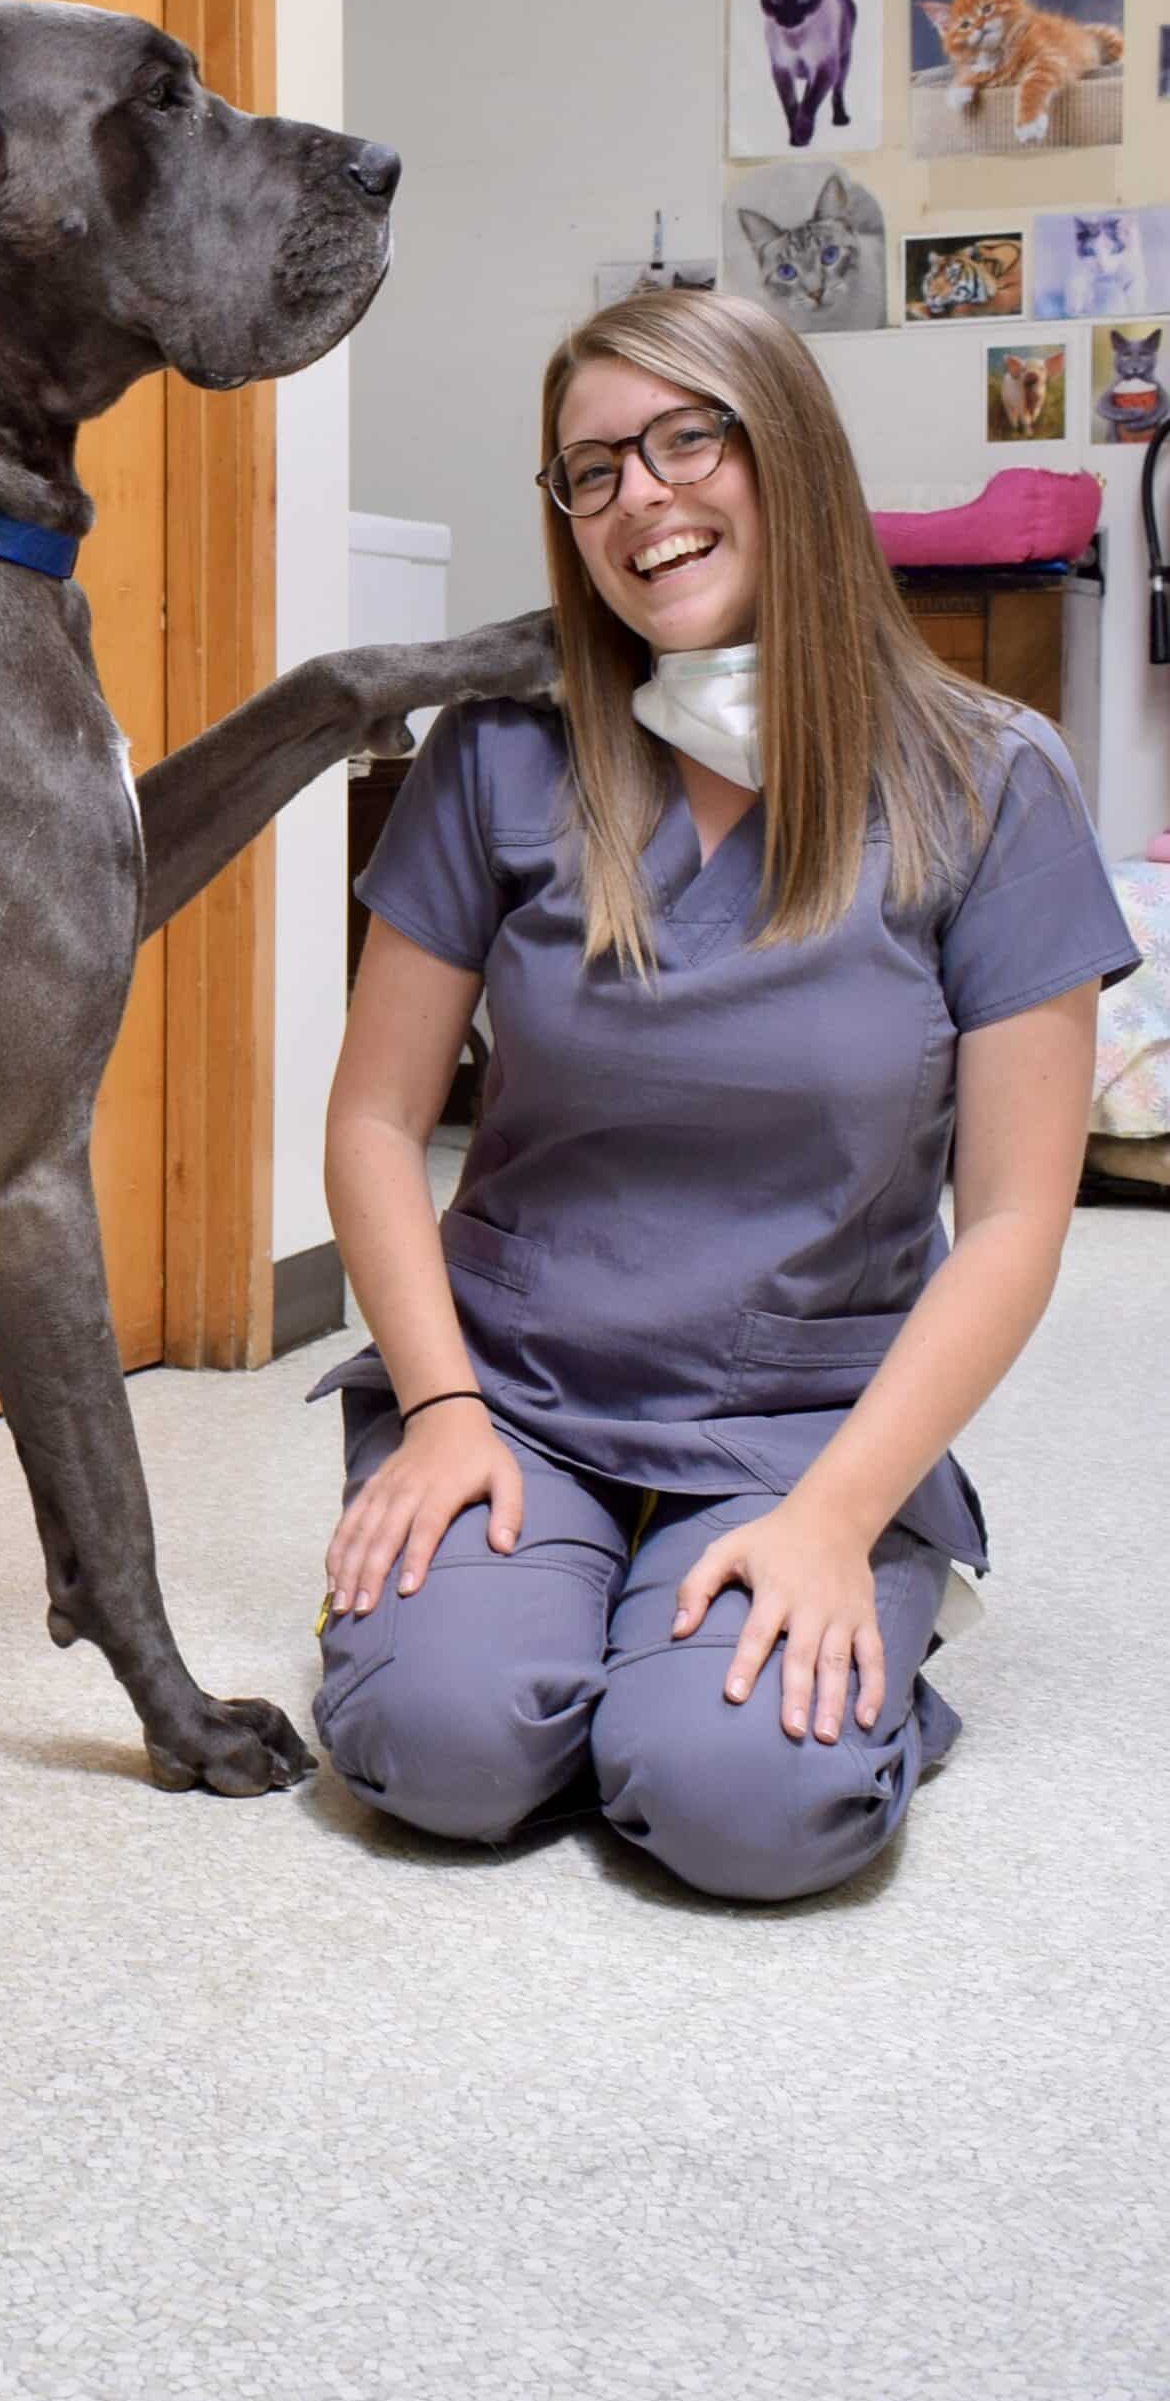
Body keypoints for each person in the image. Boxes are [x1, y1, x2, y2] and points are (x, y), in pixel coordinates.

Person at [310, 292, 1137, 1903]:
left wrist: (839, 1517)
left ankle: (842, 1608)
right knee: (445, 1751)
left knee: (737, 1805)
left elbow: (1019, 1221)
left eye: (688, 438)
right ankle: (539, 1601)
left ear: (789, 455)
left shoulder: (991, 777)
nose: (642, 497)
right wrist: (441, 1411)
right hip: (517, 1396)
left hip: (796, 1426)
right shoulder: (500, 756)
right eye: (593, 470)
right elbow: (369, 1122)